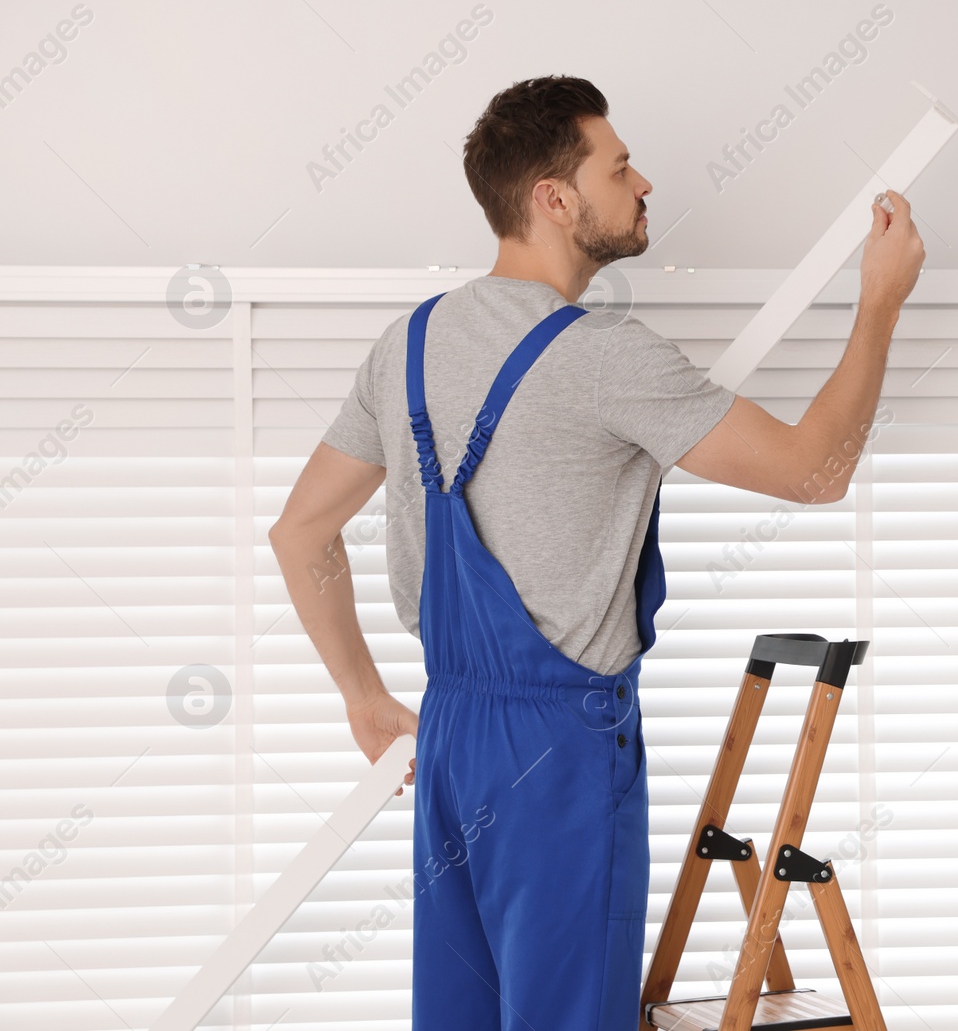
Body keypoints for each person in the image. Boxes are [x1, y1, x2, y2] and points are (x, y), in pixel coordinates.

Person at [267, 74, 923, 1031]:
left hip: (452, 740)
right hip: (558, 753)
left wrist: (364, 698)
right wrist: (880, 305)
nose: (644, 181)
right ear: (556, 198)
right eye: (619, 167)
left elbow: (299, 531)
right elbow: (814, 473)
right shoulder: (606, 356)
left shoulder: (409, 343)